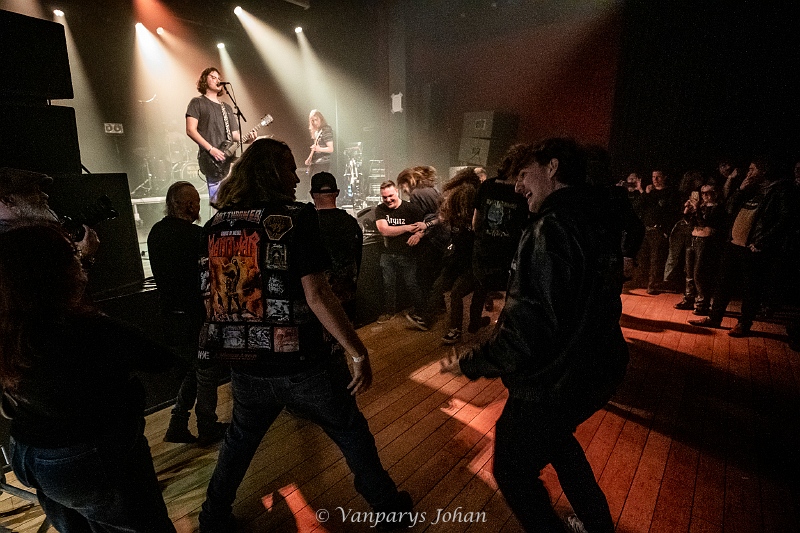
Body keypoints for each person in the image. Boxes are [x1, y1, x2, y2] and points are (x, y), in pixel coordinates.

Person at [196, 138, 411, 532]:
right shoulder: (297, 216)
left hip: (245, 362)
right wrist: (358, 352)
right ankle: (388, 509)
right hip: (303, 362)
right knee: (350, 431)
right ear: (270, 172)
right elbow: (318, 295)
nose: (296, 177)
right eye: (289, 167)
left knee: (240, 442)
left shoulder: (216, 224)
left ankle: (212, 517)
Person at [440, 138, 628, 533]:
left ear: (552, 167)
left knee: (512, 470)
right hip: (597, 366)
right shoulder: (599, 215)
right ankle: (597, 524)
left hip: (555, 380)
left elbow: (529, 330)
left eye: (524, 175)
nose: (518, 186)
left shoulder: (551, 228)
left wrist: (471, 362)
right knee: (558, 443)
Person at [0, 223, 177, 533]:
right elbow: (161, 360)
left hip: (28, 451)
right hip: (86, 455)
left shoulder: (10, 329)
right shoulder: (90, 330)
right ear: (57, 273)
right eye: (72, 254)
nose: (79, 260)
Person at [147, 181, 228, 445]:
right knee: (206, 370)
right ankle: (207, 426)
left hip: (169, 316)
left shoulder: (155, 232)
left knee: (195, 368)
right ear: (190, 205)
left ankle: (177, 424)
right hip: (195, 316)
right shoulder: (197, 235)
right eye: (196, 202)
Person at [689, 157, 795, 336]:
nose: (748, 173)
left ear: (764, 170)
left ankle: (744, 324)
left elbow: (785, 220)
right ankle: (714, 317)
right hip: (734, 244)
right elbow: (728, 209)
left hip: (753, 248)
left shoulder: (780, 191)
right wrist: (740, 190)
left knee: (750, 288)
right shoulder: (751, 190)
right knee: (722, 283)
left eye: (753, 169)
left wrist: (763, 241)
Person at [406, 168, 482, 344]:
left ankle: (455, 330)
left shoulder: (476, 211)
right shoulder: (454, 209)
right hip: (456, 259)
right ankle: (426, 319)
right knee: (438, 286)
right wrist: (426, 227)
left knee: (456, 293)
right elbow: (441, 218)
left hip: (472, 262)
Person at [470, 146, 530, 328]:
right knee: (510, 294)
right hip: (508, 253)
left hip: (484, 250)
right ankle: (501, 330)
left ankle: (474, 323)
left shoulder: (487, 185)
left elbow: (475, 222)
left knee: (480, 288)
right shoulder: (522, 193)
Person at [186, 67, 255, 201]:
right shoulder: (197, 102)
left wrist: (248, 139)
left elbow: (234, 135)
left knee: (234, 197)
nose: (217, 80)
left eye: (219, 78)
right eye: (213, 77)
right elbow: (190, 130)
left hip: (229, 159)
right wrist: (211, 149)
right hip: (212, 159)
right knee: (217, 200)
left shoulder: (226, 108)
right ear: (204, 80)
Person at [0, 167, 99, 260]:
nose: (45, 195)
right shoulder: (8, 243)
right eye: (34, 191)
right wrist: (79, 254)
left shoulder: (32, 235)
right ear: (8, 200)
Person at [309, 171, 363, 321]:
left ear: (312, 194)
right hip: (347, 297)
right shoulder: (351, 222)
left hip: (320, 301)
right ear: (337, 193)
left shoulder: (309, 225)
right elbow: (358, 258)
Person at [373, 180, 426, 323]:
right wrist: (407, 228)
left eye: (390, 196)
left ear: (397, 191)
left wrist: (418, 235)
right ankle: (390, 312)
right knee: (388, 285)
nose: (388, 200)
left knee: (411, 283)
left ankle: (421, 312)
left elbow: (423, 227)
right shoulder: (380, 209)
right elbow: (384, 230)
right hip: (387, 253)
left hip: (408, 253)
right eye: (384, 197)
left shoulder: (411, 208)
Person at [637, 169, 681, 294]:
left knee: (656, 259)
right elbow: (640, 206)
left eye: (658, 177)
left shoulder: (670, 193)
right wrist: (644, 192)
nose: (655, 180)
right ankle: (643, 282)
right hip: (646, 229)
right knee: (643, 257)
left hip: (658, 230)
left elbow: (669, 213)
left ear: (664, 177)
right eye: (653, 177)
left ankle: (653, 285)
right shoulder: (650, 192)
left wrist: (665, 231)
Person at [304, 109, 334, 179]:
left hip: (323, 164)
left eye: (316, 120)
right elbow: (315, 147)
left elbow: (331, 149)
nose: (315, 122)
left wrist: (319, 149)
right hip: (315, 163)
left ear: (321, 119)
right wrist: (309, 158)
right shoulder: (317, 131)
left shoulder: (326, 130)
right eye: (312, 121)